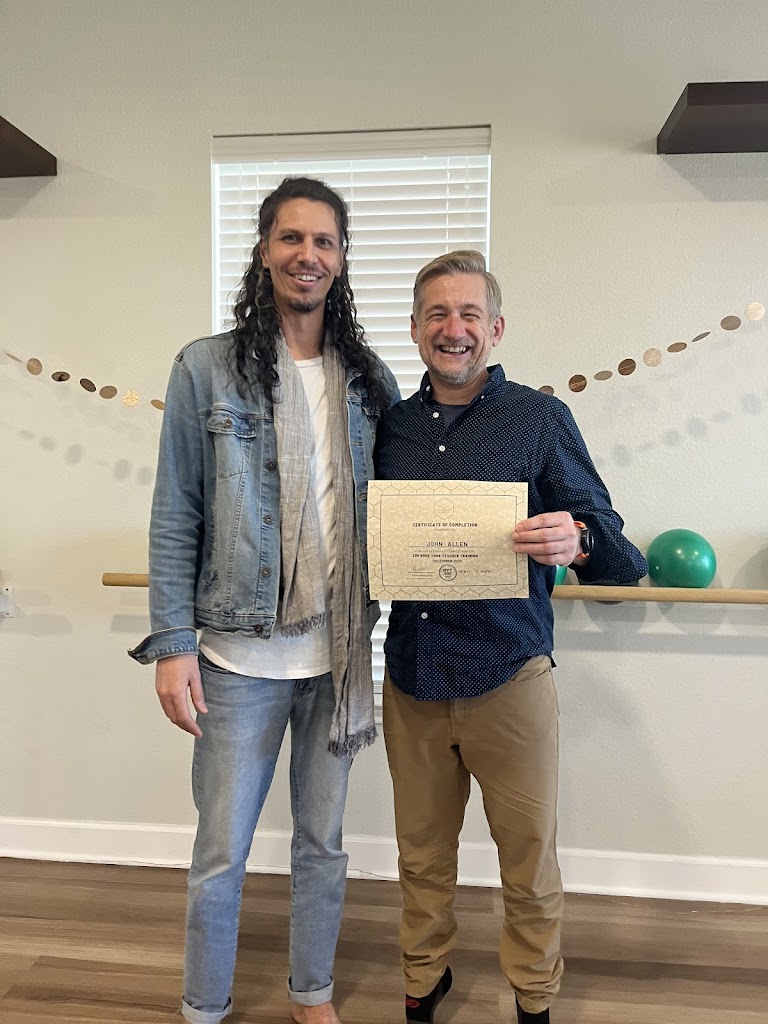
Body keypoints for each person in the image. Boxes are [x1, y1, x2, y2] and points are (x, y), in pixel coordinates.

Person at [129, 177, 398, 1024]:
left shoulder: (369, 381)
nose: (307, 255)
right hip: (236, 658)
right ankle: (204, 1006)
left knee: (324, 845)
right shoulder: (205, 368)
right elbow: (176, 512)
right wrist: (172, 644)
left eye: (324, 241)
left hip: (338, 658)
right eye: (291, 238)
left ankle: (311, 994)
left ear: (342, 259)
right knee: (221, 852)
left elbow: (404, 500)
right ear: (263, 251)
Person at [374, 250, 647, 1024]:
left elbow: (618, 557)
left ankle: (535, 998)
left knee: (528, 861)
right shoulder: (388, 428)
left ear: (494, 330)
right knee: (420, 857)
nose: (453, 328)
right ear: (415, 328)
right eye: (437, 314)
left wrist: (578, 539)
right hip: (412, 678)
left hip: (510, 678)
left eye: (469, 314)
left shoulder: (539, 419)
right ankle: (423, 982)